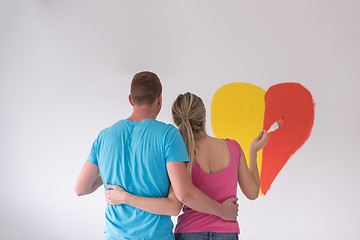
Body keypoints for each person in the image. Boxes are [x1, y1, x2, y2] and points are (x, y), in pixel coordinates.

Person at [74, 73, 238, 240]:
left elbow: (80, 189)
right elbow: (175, 206)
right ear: (159, 99)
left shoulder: (105, 136)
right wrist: (222, 211)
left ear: (131, 99)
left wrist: (113, 169)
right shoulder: (168, 135)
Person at [105, 92, 269, 240]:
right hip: (227, 233)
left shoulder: (176, 153)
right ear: (204, 116)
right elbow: (253, 193)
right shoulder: (234, 148)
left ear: (177, 121)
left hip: (189, 232)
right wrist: (253, 152)